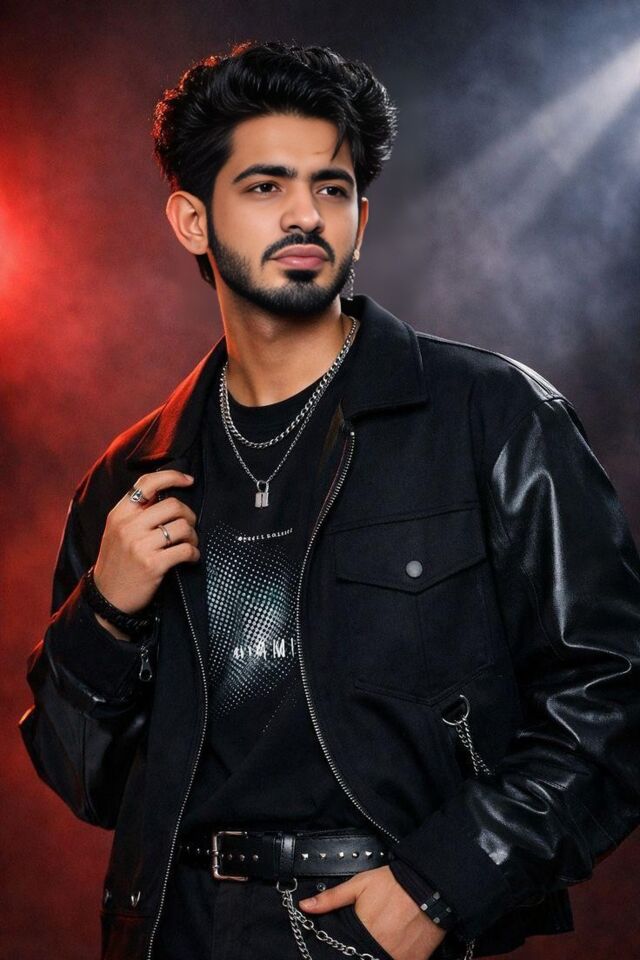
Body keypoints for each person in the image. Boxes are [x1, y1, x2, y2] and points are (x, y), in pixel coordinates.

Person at [19, 40, 640, 960]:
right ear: (191, 219)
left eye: (332, 187)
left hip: (382, 927)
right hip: (175, 930)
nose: (306, 213)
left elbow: (615, 693)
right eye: (265, 185)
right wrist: (104, 613)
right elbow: (86, 783)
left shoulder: (490, 416)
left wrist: (441, 884)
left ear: (360, 214)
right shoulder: (130, 476)